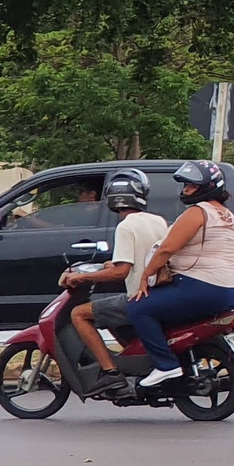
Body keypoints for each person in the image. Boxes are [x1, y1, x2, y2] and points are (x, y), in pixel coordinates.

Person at [128, 159, 234, 388]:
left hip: (203, 287)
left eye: (191, 186)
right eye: (185, 185)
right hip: (233, 290)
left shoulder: (197, 212)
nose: (185, 190)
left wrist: (145, 276)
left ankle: (165, 365)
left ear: (207, 187)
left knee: (138, 307)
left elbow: (167, 249)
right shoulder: (228, 216)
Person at [63, 169, 168, 395]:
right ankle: (132, 360)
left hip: (138, 297)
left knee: (79, 314)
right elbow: (140, 256)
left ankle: (110, 373)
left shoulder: (126, 226)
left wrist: (81, 276)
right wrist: (111, 265)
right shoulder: (157, 220)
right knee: (105, 313)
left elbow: (121, 273)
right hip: (159, 293)